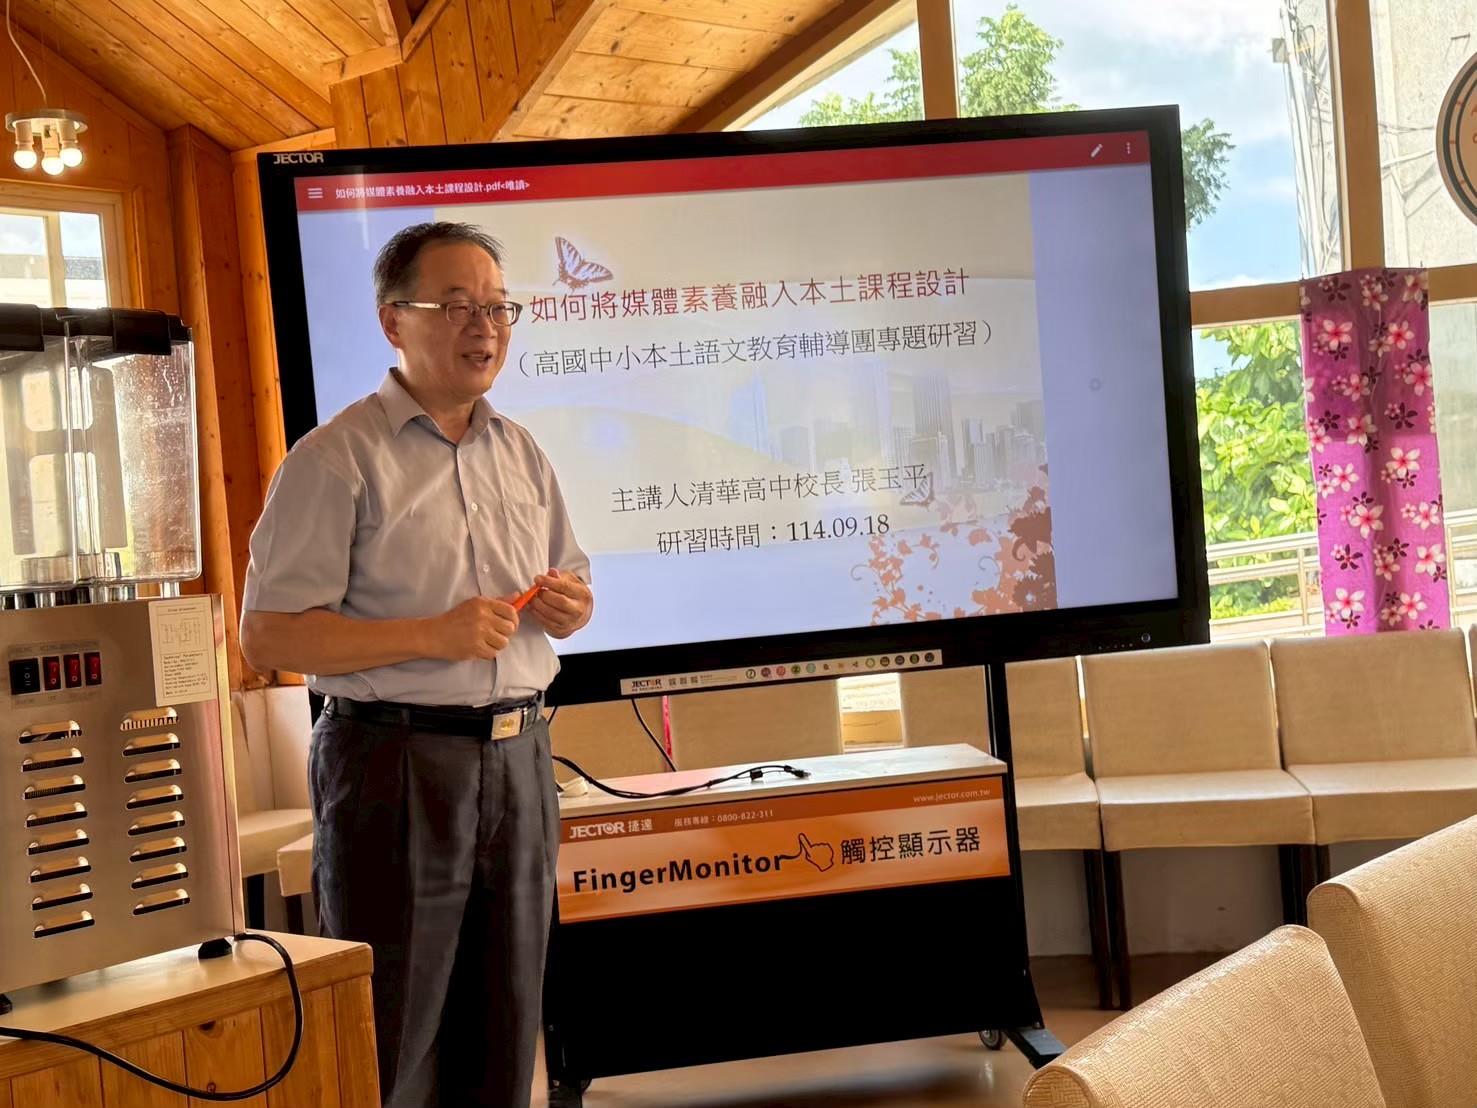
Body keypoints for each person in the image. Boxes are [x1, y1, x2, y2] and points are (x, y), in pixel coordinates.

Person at [240, 221, 593, 1108]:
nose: (485, 327)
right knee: (393, 1032)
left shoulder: (521, 450)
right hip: (393, 763)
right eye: (458, 305)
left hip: (521, 759)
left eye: (500, 308)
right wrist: (429, 635)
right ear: (393, 321)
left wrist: (571, 607)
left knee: (505, 1029)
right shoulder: (334, 459)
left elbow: (573, 581)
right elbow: (269, 637)